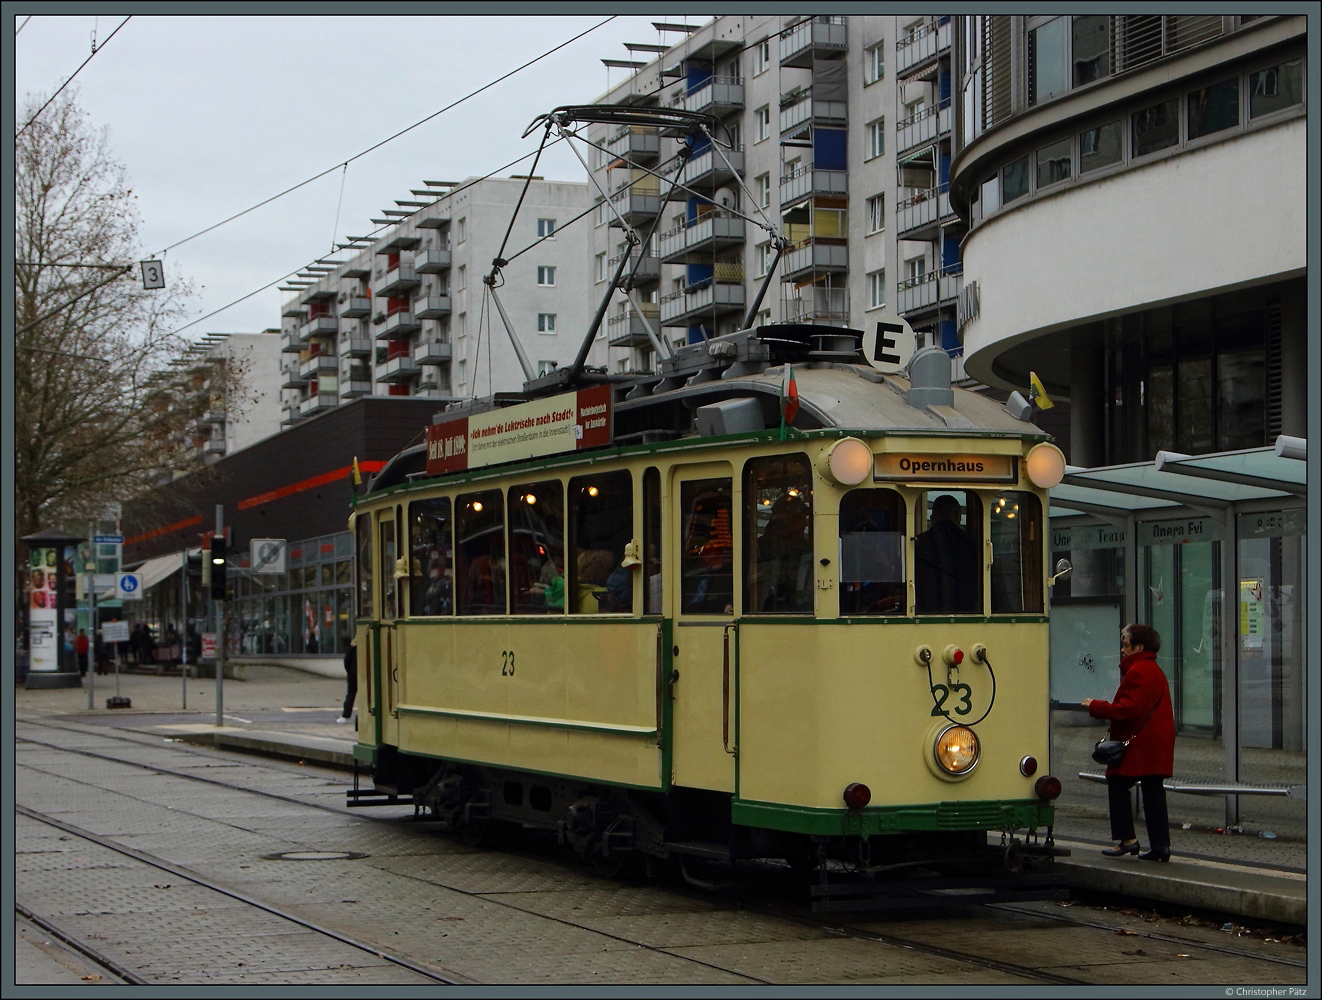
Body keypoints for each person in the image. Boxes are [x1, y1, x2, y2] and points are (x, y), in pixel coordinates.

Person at [1082, 623, 1176, 862]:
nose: (1122, 650)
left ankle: (1127, 840)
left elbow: (1126, 710)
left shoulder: (1138, 671)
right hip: (1156, 741)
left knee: (1117, 782)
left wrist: (1096, 706)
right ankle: (1160, 845)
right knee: (1154, 790)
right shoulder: (1155, 670)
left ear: (1139, 647)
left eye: (1126, 644)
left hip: (1139, 743)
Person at [914, 494, 979, 614]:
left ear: (932, 518)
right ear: (957, 516)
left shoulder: (918, 544)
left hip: (925, 614)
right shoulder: (973, 544)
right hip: (968, 615)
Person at [755, 495, 813, 612]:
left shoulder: (805, 547)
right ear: (788, 521)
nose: (806, 524)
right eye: (801, 518)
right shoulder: (764, 548)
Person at [338, 639, 358, 724]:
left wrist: (350, 672)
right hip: (362, 675)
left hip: (352, 675)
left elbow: (347, 662)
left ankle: (345, 715)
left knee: (350, 695)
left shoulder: (352, 650)